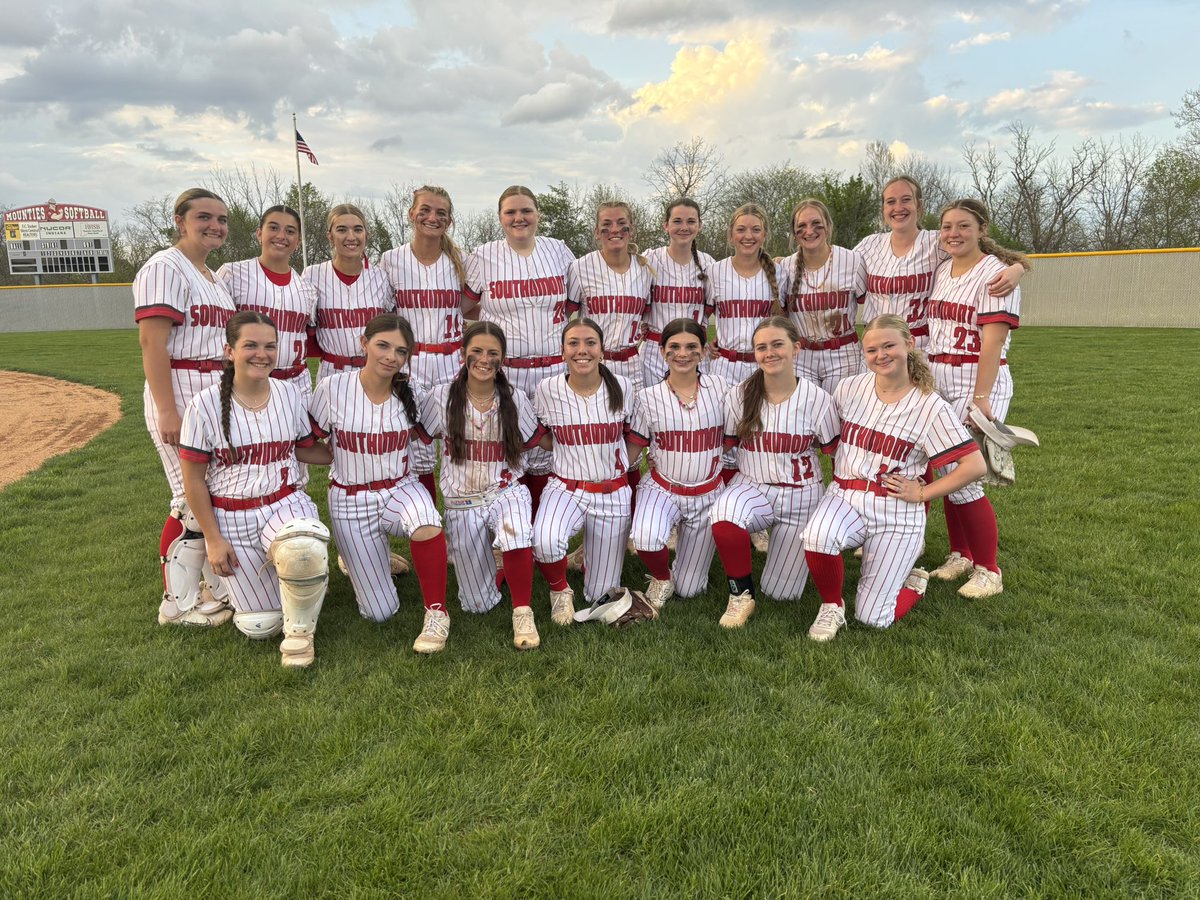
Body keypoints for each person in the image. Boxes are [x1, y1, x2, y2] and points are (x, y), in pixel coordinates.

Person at [799, 314, 988, 641]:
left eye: (889, 346)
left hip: (897, 510)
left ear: (909, 344)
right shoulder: (849, 388)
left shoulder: (931, 406)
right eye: (872, 350)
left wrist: (923, 493)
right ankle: (831, 606)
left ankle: (914, 583)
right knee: (817, 535)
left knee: (874, 618)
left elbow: (974, 465)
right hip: (846, 495)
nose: (881, 355)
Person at [178, 311, 333, 667]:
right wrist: (213, 540)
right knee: (260, 625)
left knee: (303, 551)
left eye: (270, 346)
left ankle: (300, 639)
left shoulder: (289, 393)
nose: (261, 354)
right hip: (232, 516)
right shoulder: (203, 405)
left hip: (285, 502)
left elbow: (304, 448)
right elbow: (193, 481)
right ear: (229, 350)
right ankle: (285, 581)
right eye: (251, 345)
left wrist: (350, 451)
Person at [308, 314, 453, 652]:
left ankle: (437, 613)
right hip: (349, 499)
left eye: (400, 351)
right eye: (383, 346)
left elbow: (429, 431)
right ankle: (363, 558)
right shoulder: (333, 388)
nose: (391, 356)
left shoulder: (411, 391)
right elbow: (308, 443)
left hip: (399, 489)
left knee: (427, 520)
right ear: (364, 343)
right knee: (379, 613)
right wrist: (334, 456)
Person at [134, 187, 238, 627]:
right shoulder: (165, 266)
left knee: (210, 495)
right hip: (180, 389)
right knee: (189, 499)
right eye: (204, 217)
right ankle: (176, 605)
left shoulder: (210, 275)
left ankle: (211, 588)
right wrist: (166, 410)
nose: (214, 226)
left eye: (221, 219)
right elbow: (151, 342)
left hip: (212, 391)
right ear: (180, 221)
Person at [418, 321, 546, 650]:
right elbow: (419, 435)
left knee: (516, 531)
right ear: (463, 354)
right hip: (463, 501)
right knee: (478, 604)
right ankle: (500, 564)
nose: (484, 359)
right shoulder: (441, 396)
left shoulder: (514, 397)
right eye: (476, 351)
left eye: (493, 353)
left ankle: (522, 610)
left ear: (503, 358)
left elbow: (539, 441)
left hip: (505, 491)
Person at [709, 317, 839, 628]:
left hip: (801, 495)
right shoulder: (740, 394)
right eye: (762, 347)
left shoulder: (819, 399)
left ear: (796, 348)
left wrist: (834, 505)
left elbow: (836, 455)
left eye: (777, 344)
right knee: (724, 513)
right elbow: (726, 449)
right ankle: (740, 595)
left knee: (781, 594)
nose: (770, 353)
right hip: (752, 486)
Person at [924, 199, 1024, 599]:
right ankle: (961, 554)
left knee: (964, 477)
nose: (954, 233)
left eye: (963, 226)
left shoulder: (995, 274)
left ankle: (989, 570)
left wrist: (981, 397)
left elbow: (992, 342)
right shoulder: (943, 270)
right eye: (947, 226)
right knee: (948, 472)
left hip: (977, 380)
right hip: (940, 377)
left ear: (982, 230)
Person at [463, 186, 577, 514]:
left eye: (526, 210)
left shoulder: (558, 250)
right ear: (500, 217)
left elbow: (574, 302)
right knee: (506, 449)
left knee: (546, 452)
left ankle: (542, 527)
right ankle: (510, 525)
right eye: (510, 212)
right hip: (506, 370)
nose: (519, 218)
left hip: (553, 369)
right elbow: (465, 307)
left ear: (538, 213)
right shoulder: (483, 256)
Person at [532, 318, 639, 626]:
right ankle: (559, 590)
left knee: (599, 594)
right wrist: (568, 449)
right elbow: (544, 438)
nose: (582, 350)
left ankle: (587, 558)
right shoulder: (547, 389)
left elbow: (633, 436)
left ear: (602, 350)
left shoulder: (623, 386)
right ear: (563, 350)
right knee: (544, 540)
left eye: (590, 343)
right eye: (574, 343)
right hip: (565, 488)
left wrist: (619, 467)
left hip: (611, 493)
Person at [856, 176, 1025, 349]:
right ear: (883, 208)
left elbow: (981, 251)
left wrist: (1017, 268)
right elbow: (843, 275)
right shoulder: (868, 245)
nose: (898, 208)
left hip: (922, 345)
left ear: (919, 205)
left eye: (906, 199)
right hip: (876, 346)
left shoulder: (937, 242)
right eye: (891, 201)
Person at [627, 318, 727, 609]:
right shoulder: (647, 398)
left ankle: (683, 569)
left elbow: (736, 435)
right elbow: (633, 449)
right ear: (662, 352)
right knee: (645, 538)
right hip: (663, 488)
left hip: (708, 493)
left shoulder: (720, 387)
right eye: (674, 346)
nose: (683, 353)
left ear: (704, 351)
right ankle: (661, 577)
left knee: (690, 590)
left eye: (691, 346)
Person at [379, 186, 469, 502]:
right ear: (411, 214)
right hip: (410, 363)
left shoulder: (462, 261)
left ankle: (464, 521)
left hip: (452, 360)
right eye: (425, 210)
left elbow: (474, 307)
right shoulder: (391, 260)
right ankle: (425, 521)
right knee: (417, 450)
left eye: (441, 213)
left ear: (449, 220)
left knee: (459, 445)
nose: (432, 217)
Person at [216, 205, 318, 402]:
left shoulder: (308, 289)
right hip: (245, 383)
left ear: (298, 241)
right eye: (273, 227)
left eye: (290, 231)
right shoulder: (232, 274)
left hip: (297, 384)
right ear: (259, 233)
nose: (281, 236)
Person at [780, 198, 867, 395]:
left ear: (828, 225)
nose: (809, 231)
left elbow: (874, 305)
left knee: (842, 409)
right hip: (801, 356)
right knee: (803, 409)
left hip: (842, 353)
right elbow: (780, 315)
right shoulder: (785, 266)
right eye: (801, 226)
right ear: (794, 233)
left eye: (816, 224)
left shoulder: (852, 260)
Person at [304, 204, 395, 383]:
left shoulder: (381, 277)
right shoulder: (312, 274)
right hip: (332, 372)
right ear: (330, 236)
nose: (351, 237)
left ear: (366, 235)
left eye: (358, 229)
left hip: (374, 370)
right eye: (342, 230)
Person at [707, 203, 784, 390]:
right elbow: (700, 315)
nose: (748, 236)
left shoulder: (779, 272)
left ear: (764, 235)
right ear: (731, 235)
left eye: (756, 230)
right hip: (724, 366)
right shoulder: (714, 271)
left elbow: (785, 319)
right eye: (741, 230)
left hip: (764, 365)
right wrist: (705, 342)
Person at [641, 199, 715, 387]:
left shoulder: (709, 264)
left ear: (699, 225)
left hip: (694, 352)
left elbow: (714, 307)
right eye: (677, 221)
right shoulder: (649, 259)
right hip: (655, 352)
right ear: (665, 225)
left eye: (691, 221)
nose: (684, 227)